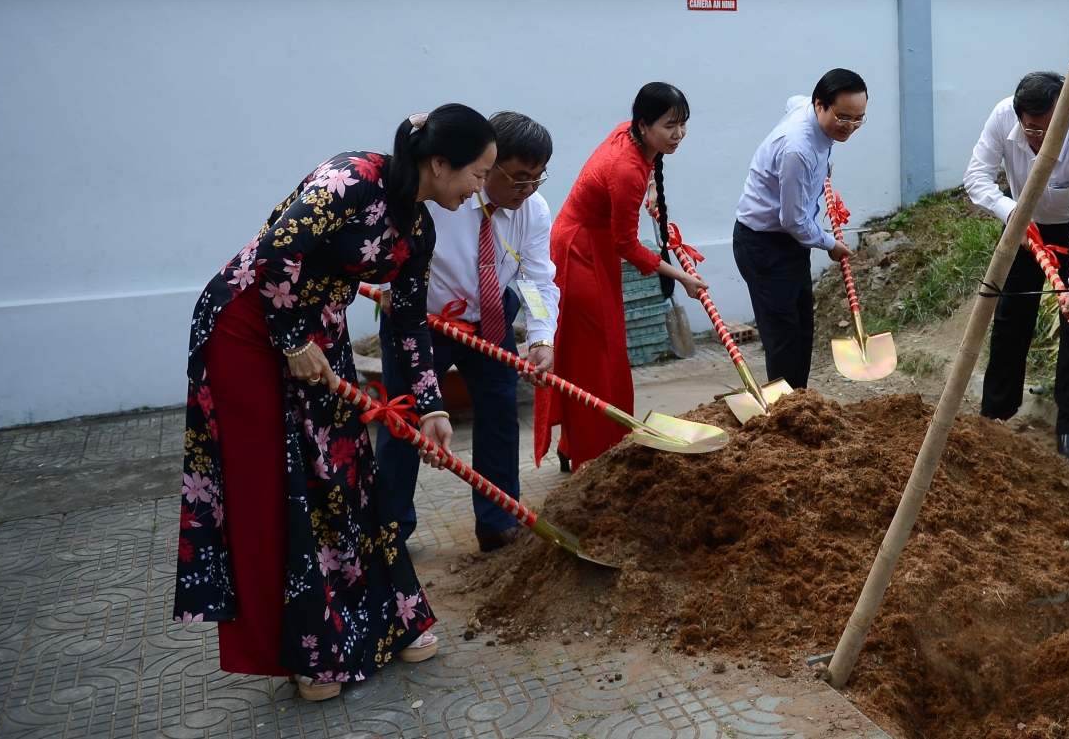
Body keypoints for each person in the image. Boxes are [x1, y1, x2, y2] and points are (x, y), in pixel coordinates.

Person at [174, 105, 497, 700]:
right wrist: (290, 339)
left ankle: (392, 620)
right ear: (439, 163)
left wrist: (428, 407)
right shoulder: (350, 177)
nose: (481, 191)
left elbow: (407, 322)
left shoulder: (418, 229)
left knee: (346, 469)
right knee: (285, 480)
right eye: (477, 175)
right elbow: (275, 252)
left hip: (316, 331)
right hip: (249, 327)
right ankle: (310, 649)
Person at [375, 112, 559, 553]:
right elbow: (390, 244)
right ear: (487, 163)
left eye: (537, 178)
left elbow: (535, 280)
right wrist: (387, 288)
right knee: (403, 417)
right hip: (422, 322)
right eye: (518, 178)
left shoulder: (532, 210)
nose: (528, 189)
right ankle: (388, 526)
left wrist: (540, 337)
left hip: (490, 319)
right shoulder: (444, 195)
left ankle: (497, 518)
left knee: (499, 411)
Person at [539, 83, 707, 470]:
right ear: (644, 125)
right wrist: (682, 277)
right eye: (670, 126)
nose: (678, 134)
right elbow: (627, 246)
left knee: (600, 356)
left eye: (683, 124)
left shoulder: (626, 133)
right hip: (581, 254)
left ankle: (577, 445)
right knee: (594, 364)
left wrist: (649, 190)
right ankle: (592, 458)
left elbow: (638, 176)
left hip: (588, 244)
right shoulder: (626, 169)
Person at [964, 71, 1069, 467]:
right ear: (1018, 116)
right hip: (1022, 223)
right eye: (1031, 129)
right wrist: (1015, 216)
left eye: (1048, 129)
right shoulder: (1001, 118)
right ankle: (995, 414)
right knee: (1011, 315)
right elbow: (976, 180)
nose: (1038, 137)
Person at [733, 68, 866, 391]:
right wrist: (829, 243)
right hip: (765, 245)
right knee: (783, 336)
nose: (850, 126)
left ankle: (799, 398)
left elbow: (793, 100)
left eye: (859, 118)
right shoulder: (798, 151)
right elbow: (792, 220)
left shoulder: (807, 110)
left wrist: (824, 171)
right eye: (843, 117)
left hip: (790, 243)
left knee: (802, 327)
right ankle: (784, 415)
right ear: (820, 105)